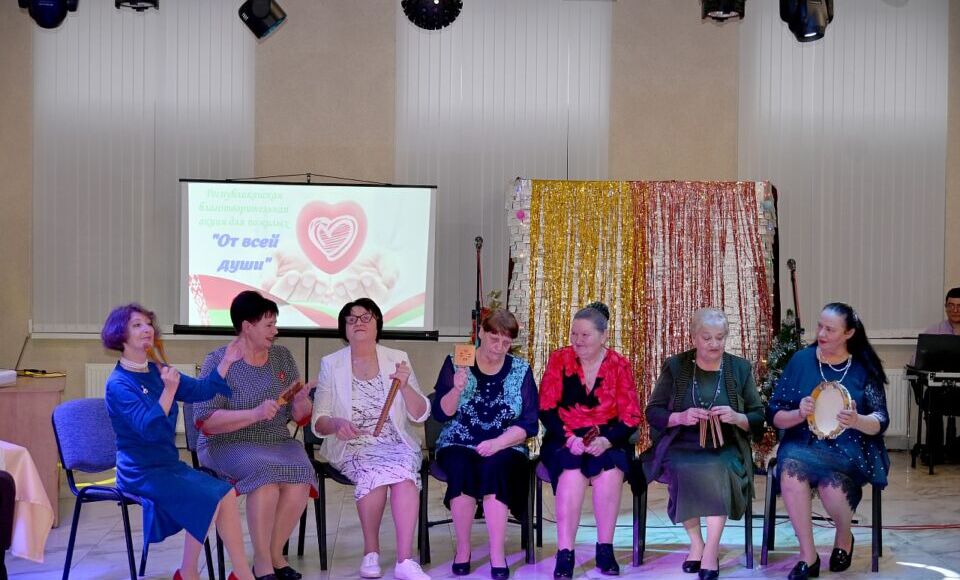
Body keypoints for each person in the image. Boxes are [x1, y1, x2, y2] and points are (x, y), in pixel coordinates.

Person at [101, 304, 254, 580]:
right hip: (139, 471)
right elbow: (149, 429)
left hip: (168, 465)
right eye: (137, 325)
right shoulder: (118, 384)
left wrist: (227, 361)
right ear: (119, 335)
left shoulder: (157, 370)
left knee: (226, 494)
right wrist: (169, 390)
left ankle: (240, 574)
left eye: (148, 324)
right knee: (209, 497)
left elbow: (202, 390)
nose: (147, 329)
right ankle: (188, 572)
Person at [194, 291, 317, 580]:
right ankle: (262, 563)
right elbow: (207, 421)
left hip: (275, 439)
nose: (276, 331)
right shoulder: (219, 361)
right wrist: (254, 413)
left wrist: (302, 402)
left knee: (301, 473)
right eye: (269, 325)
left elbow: (299, 417)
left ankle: (275, 555)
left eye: (275, 324)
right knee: (266, 478)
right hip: (227, 442)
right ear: (247, 327)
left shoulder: (282, 357)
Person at [311, 298, 431, 580]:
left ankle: (405, 561)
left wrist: (404, 387)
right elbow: (319, 420)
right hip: (354, 445)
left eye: (366, 317)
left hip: (395, 442)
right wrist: (336, 424)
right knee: (373, 472)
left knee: (404, 474)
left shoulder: (398, 358)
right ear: (344, 329)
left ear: (378, 324)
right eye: (351, 319)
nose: (359, 323)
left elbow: (420, 413)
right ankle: (371, 552)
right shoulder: (331, 364)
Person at [768, 303, 890, 580]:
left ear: (849, 333)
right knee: (791, 471)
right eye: (820, 326)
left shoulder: (863, 368)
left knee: (831, 488)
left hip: (848, 448)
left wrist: (857, 420)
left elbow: (881, 419)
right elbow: (774, 415)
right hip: (802, 443)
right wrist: (798, 414)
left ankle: (844, 536)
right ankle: (808, 557)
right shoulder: (801, 361)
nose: (821, 333)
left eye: (830, 329)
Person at [643, 308, 765, 580]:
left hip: (726, 446)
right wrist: (680, 417)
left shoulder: (739, 368)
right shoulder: (676, 366)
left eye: (720, 338)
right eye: (707, 338)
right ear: (694, 338)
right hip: (682, 443)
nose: (714, 344)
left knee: (719, 470)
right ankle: (696, 544)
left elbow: (758, 416)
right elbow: (653, 412)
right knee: (682, 469)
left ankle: (710, 550)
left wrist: (737, 417)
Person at [431, 309, 539, 580]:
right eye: (494, 338)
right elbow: (441, 413)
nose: (499, 347)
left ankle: (496, 553)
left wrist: (498, 443)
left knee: (496, 467)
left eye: (506, 342)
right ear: (480, 332)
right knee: (461, 466)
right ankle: (463, 549)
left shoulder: (521, 370)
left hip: (505, 444)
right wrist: (456, 389)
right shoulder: (457, 362)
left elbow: (529, 423)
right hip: (459, 441)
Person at [539, 302, 643, 578]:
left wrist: (607, 440)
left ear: (603, 335)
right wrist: (568, 438)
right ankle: (565, 553)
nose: (577, 340)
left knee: (609, 473)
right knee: (571, 474)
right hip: (565, 437)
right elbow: (546, 408)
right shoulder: (559, 359)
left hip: (606, 438)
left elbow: (631, 415)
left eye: (585, 335)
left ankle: (605, 549)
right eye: (574, 334)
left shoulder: (619, 364)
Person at [913, 287, 960, 463]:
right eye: (951, 305)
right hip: (940, 390)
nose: (955, 310)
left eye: (959, 306)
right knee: (930, 398)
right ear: (946, 307)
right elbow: (916, 360)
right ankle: (935, 451)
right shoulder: (935, 331)